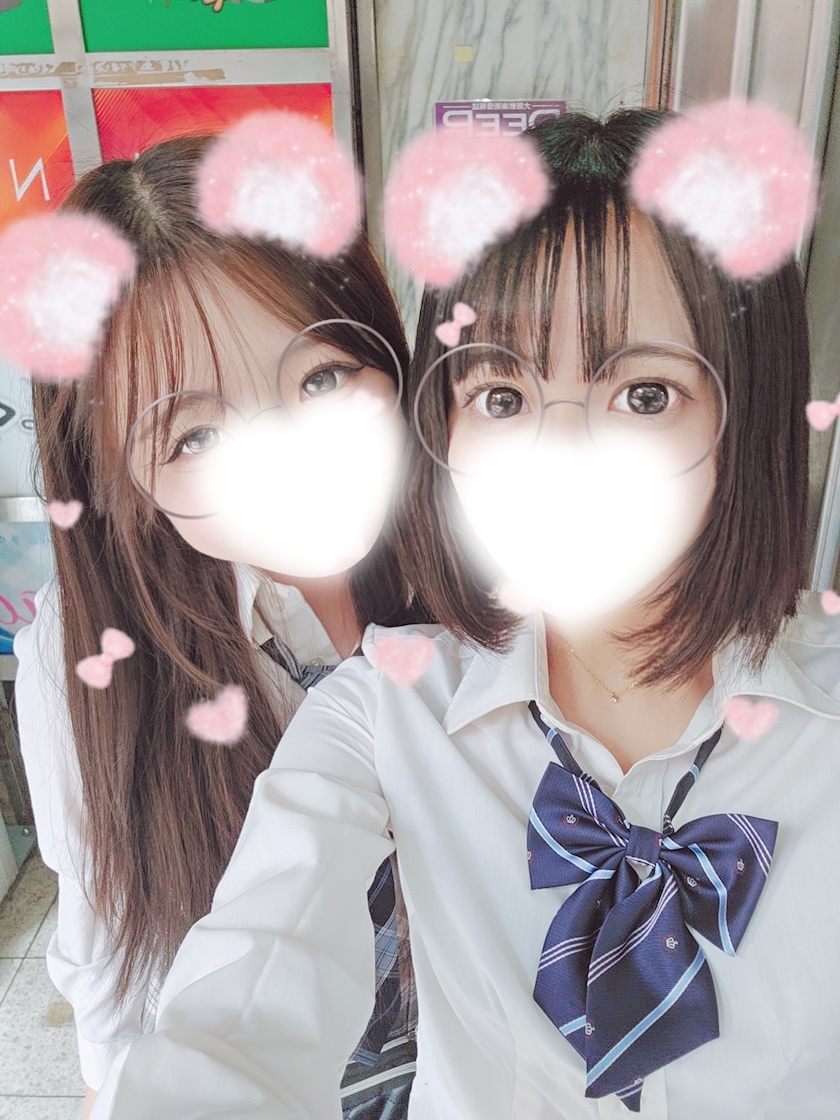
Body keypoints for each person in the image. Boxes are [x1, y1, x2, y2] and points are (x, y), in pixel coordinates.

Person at [90, 109, 838, 1119]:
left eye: (646, 395)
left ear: (748, 412)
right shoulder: (383, 708)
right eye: (501, 397)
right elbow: (248, 992)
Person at [13, 133, 423, 1120]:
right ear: (118, 475)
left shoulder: (489, 560)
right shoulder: (85, 657)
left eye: (321, 379)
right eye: (196, 434)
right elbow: (113, 958)